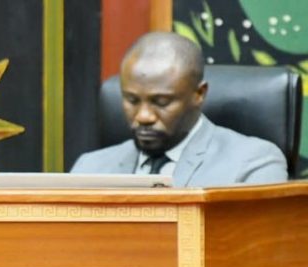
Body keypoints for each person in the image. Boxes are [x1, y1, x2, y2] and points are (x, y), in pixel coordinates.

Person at [71, 32, 287, 187]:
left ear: (199, 94)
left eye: (161, 102)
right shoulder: (89, 168)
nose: (143, 116)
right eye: (132, 100)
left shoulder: (252, 163)